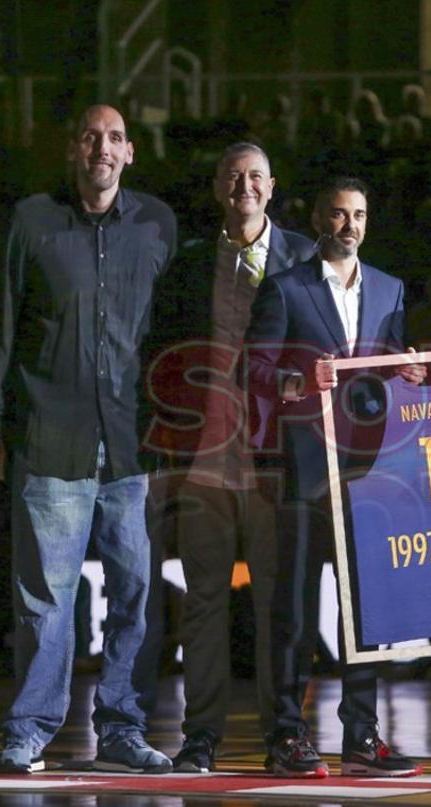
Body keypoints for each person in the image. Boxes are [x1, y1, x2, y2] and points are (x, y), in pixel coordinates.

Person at [0, 104, 178, 774]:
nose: (102, 149)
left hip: (131, 442)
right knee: (45, 599)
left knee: (135, 591)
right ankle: (30, 726)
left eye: (115, 139)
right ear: (71, 149)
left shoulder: (157, 225)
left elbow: (174, 334)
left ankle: (122, 727)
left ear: (131, 153)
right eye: (91, 137)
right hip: (49, 433)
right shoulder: (31, 220)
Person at [244, 176, 424, 779]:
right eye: (340, 214)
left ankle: (361, 737)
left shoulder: (391, 288)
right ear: (318, 219)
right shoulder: (286, 289)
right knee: (295, 608)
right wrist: (297, 383)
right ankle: (287, 738)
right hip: (304, 470)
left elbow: (391, 366)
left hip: (370, 473)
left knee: (365, 611)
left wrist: (410, 373)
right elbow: (255, 369)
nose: (350, 225)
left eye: (361, 215)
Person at [155, 142, 316, 773]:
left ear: (272, 186)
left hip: (278, 458)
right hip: (204, 458)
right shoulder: (189, 264)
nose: (243, 186)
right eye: (232, 176)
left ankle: (285, 734)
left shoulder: (305, 257)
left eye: (255, 177)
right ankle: (201, 738)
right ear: (217, 186)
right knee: (203, 603)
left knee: (279, 602)